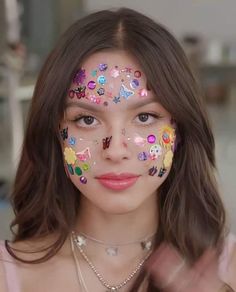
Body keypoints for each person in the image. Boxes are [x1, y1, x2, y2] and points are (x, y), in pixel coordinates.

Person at [0, 7, 235, 292]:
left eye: (145, 117)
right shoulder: (8, 273)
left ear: (180, 129)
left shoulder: (229, 270)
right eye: (86, 120)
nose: (115, 150)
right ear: (55, 133)